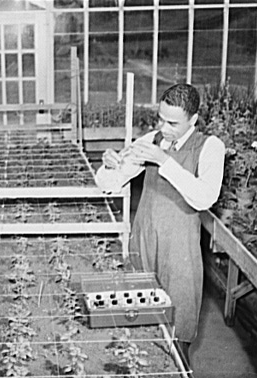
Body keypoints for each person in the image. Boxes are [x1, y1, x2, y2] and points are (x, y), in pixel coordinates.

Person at [95, 83, 225, 365]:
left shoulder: (210, 147)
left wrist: (164, 161)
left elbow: (205, 197)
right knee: (139, 331)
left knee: (176, 340)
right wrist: (109, 164)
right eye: (160, 119)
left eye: (172, 123)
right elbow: (108, 184)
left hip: (179, 256)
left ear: (193, 119)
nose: (163, 128)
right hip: (144, 244)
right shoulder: (151, 140)